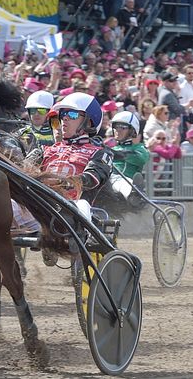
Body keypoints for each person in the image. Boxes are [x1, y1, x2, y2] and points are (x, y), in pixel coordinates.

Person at [38, 92, 113, 265]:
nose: (64, 119)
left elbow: (95, 176)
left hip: (73, 204)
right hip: (38, 202)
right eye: (62, 115)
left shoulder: (100, 153)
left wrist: (71, 182)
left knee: (82, 206)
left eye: (71, 115)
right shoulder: (45, 150)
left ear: (89, 121)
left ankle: (78, 239)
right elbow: (23, 168)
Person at [108, 111, 149, 208]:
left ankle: (133, 194)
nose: (118, 130)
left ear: (132, 131)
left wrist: (120, 155)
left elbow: (141, 159)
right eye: (116, 127)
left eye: (122, 127)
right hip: (106, 182)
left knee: (117, 179)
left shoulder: (139, 148)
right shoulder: (111, 149)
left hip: (123, 181)